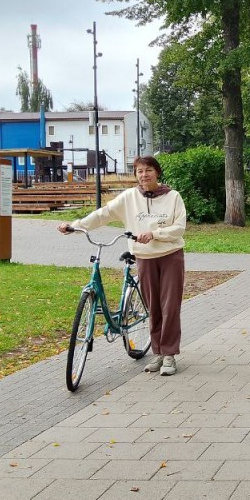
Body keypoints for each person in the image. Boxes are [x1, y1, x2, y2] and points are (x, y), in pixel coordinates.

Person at [59, 155, 187, 377]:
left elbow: (179, 228)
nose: (144, 175)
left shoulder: (173, 197)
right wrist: (75, 225)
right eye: (139, 171)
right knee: (153, 307)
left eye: (148, 170)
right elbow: (103, 215)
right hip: (144, 257)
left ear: (157, 172)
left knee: (169, 306)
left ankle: (169, 355)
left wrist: (155, 234)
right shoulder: (129, 197)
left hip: (170, 256)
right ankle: (157, 352)